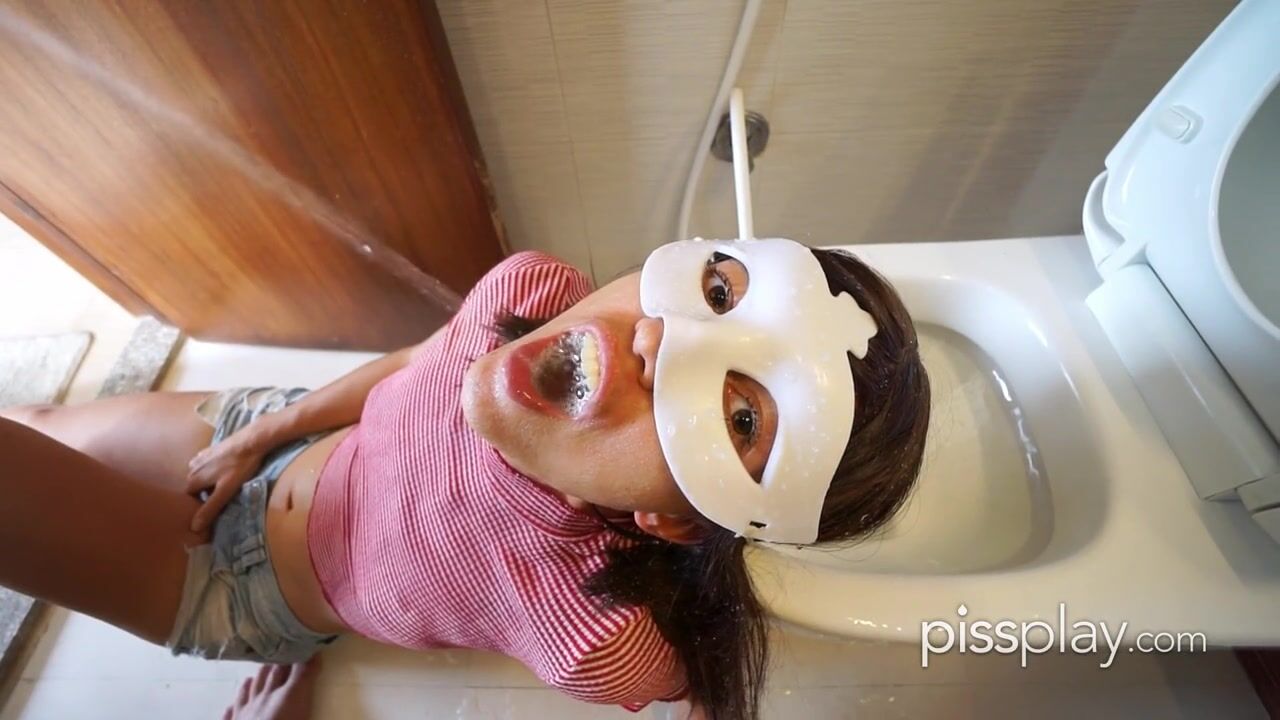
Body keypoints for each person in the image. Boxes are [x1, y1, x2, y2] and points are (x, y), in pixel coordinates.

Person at [0, 238, 930, 720]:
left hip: (239, 589)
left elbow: (696, 679)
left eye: (741, 419)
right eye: (719, 293)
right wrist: (268, 430)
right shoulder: (529, 290)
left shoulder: (588, 628)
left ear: (678, 521)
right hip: (273, 433)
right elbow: (418, 362)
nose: (657, 336)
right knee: (33, 424)